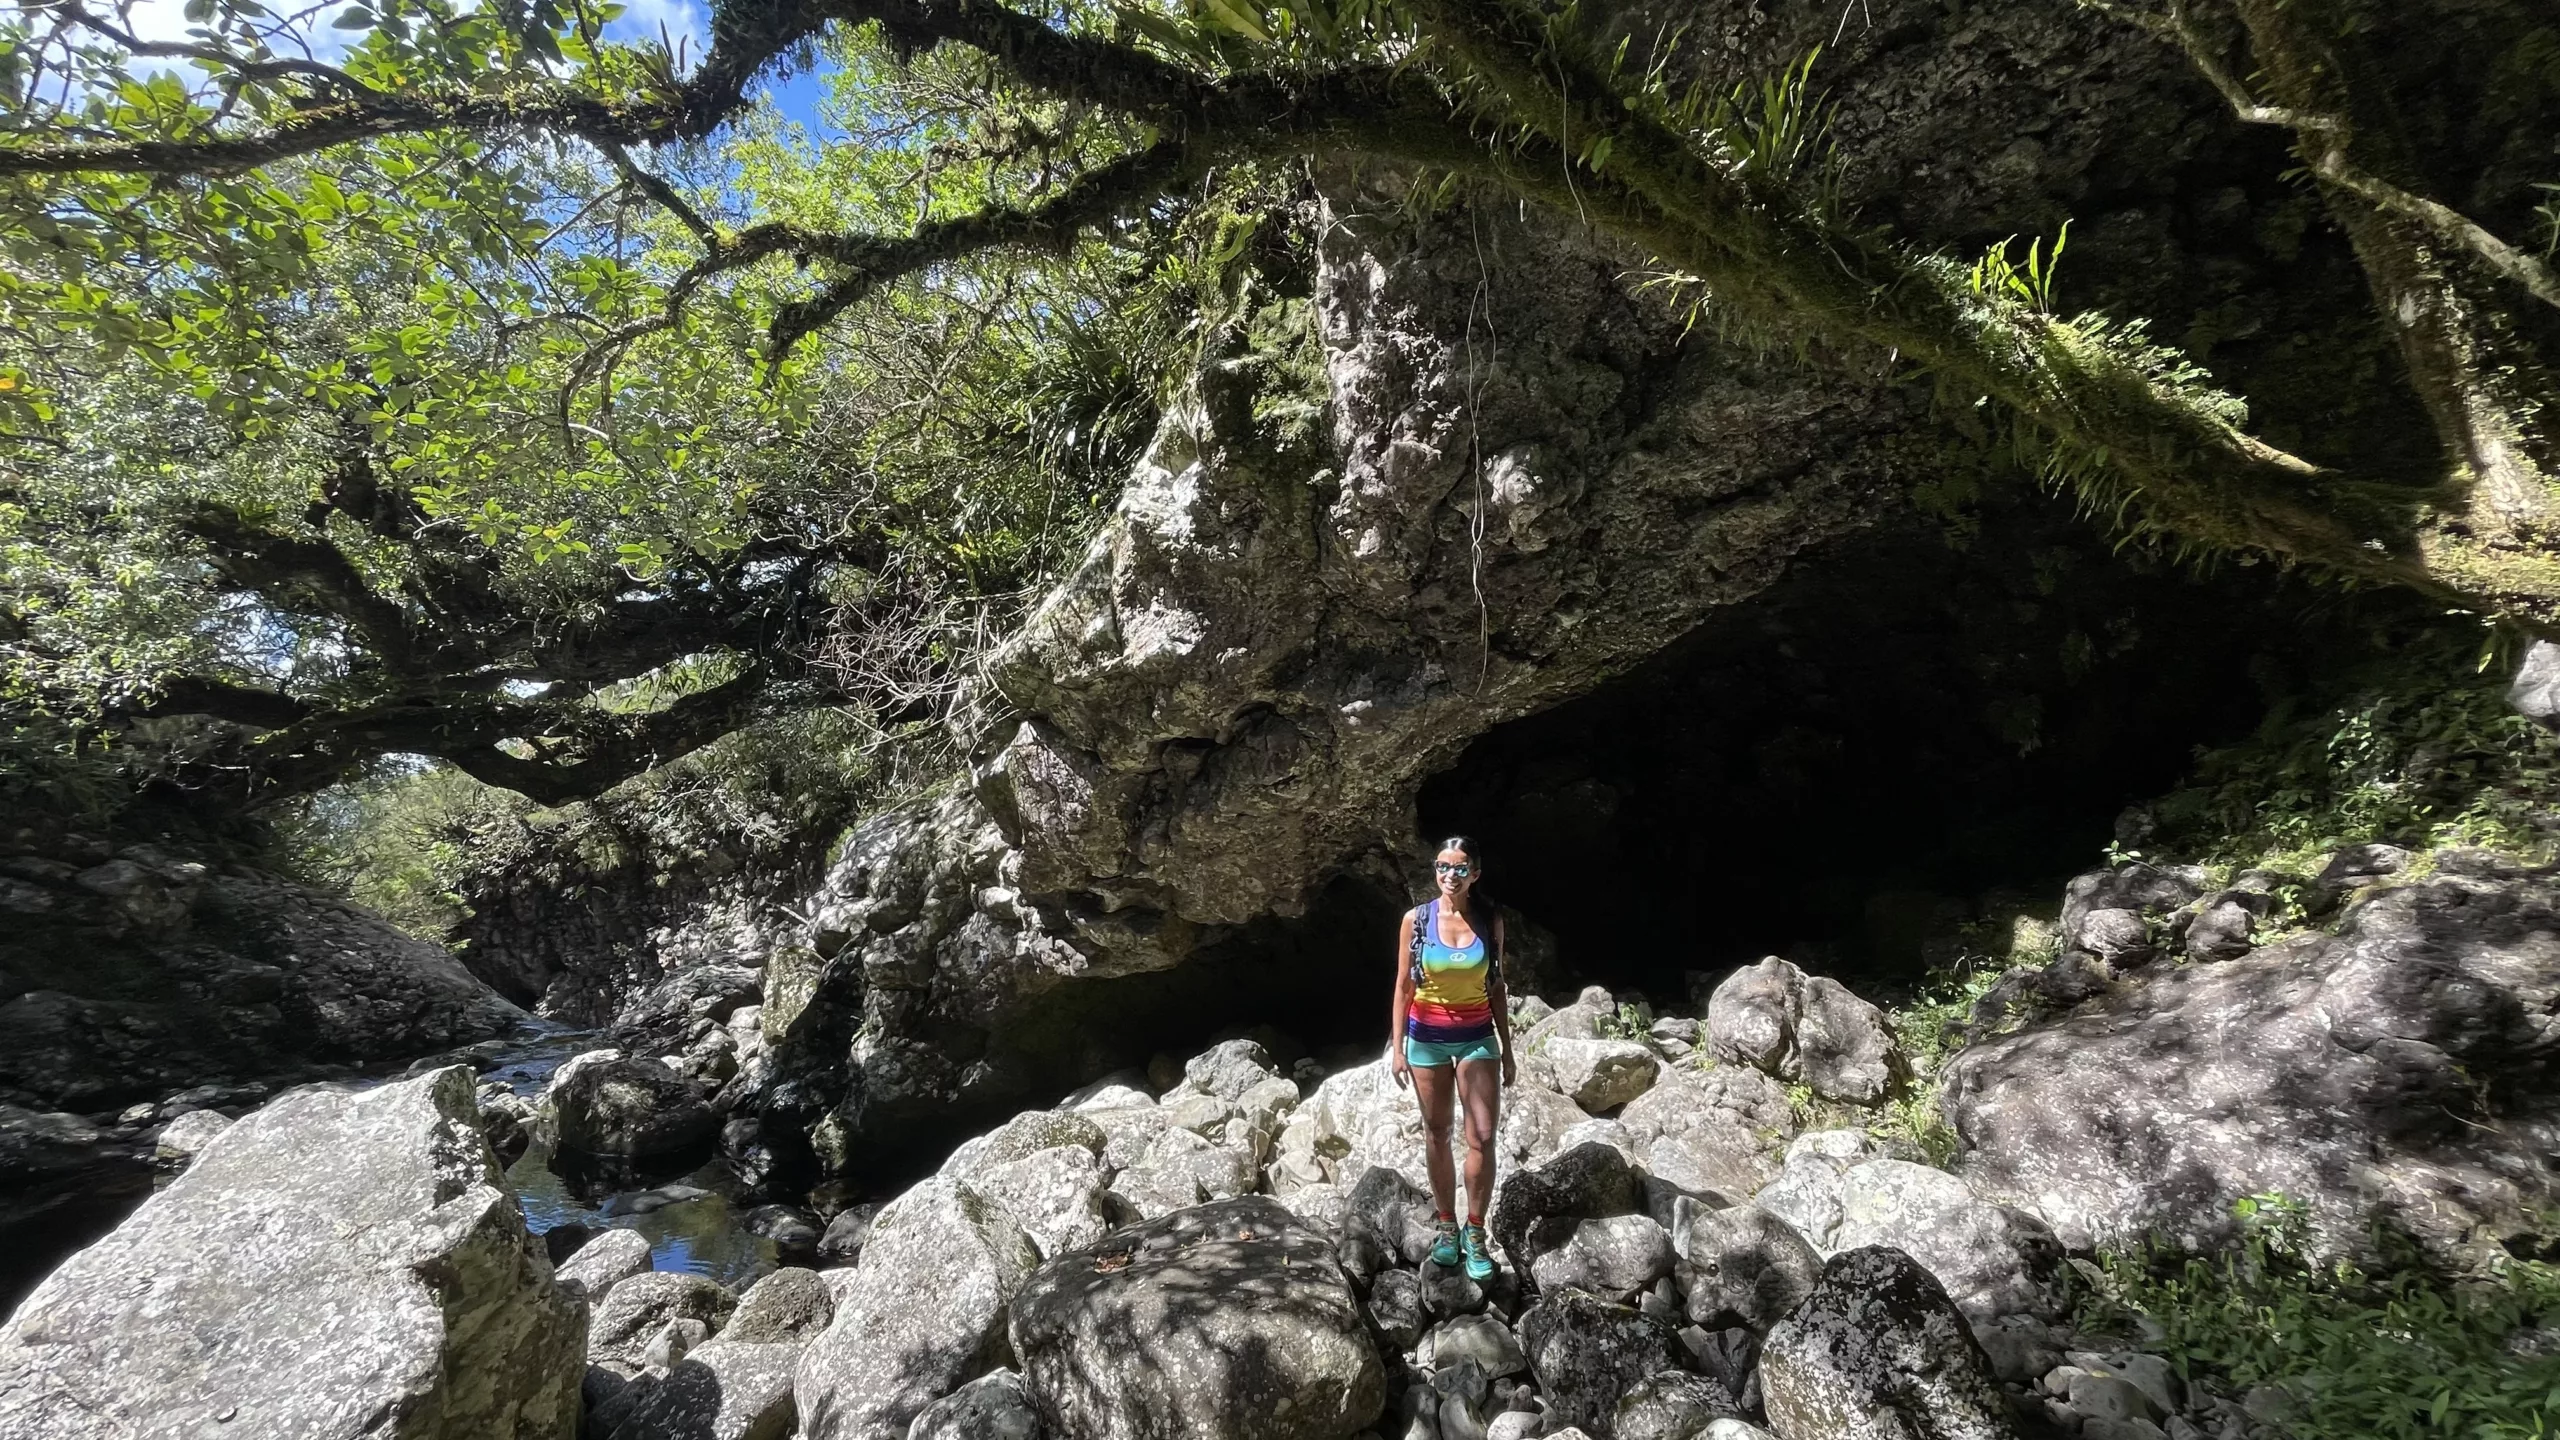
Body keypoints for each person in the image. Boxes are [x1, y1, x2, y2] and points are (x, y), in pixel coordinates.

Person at [1388, 834, 1516, 1281]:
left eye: (1460, 868)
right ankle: (1447, 1227)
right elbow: (1404, 985)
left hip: (1477, 1037)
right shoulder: (1416, 920)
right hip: (1427, 1041)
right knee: (1437, 1132)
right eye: (1443, 866)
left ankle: (1475, 1231)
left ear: (1475, 874)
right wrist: (1399, 1046)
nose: (1450, 875)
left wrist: (1509, 1049)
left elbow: (1496, 986)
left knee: (1481, 1135)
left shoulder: (1489, 920)